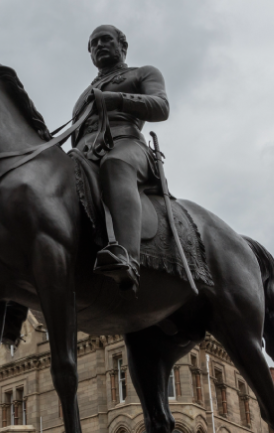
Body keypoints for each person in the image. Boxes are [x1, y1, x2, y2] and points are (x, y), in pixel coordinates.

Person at [70, 24, 169, 291]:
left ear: (122, 46)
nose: (99, 45)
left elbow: (161, 107)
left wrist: (117, 100)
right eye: (93, 44)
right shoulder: (83, 95)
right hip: (84, 152)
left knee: (115, 163)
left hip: (127, 144)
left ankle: (128, 258)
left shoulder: (142, 73)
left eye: (105, 40)